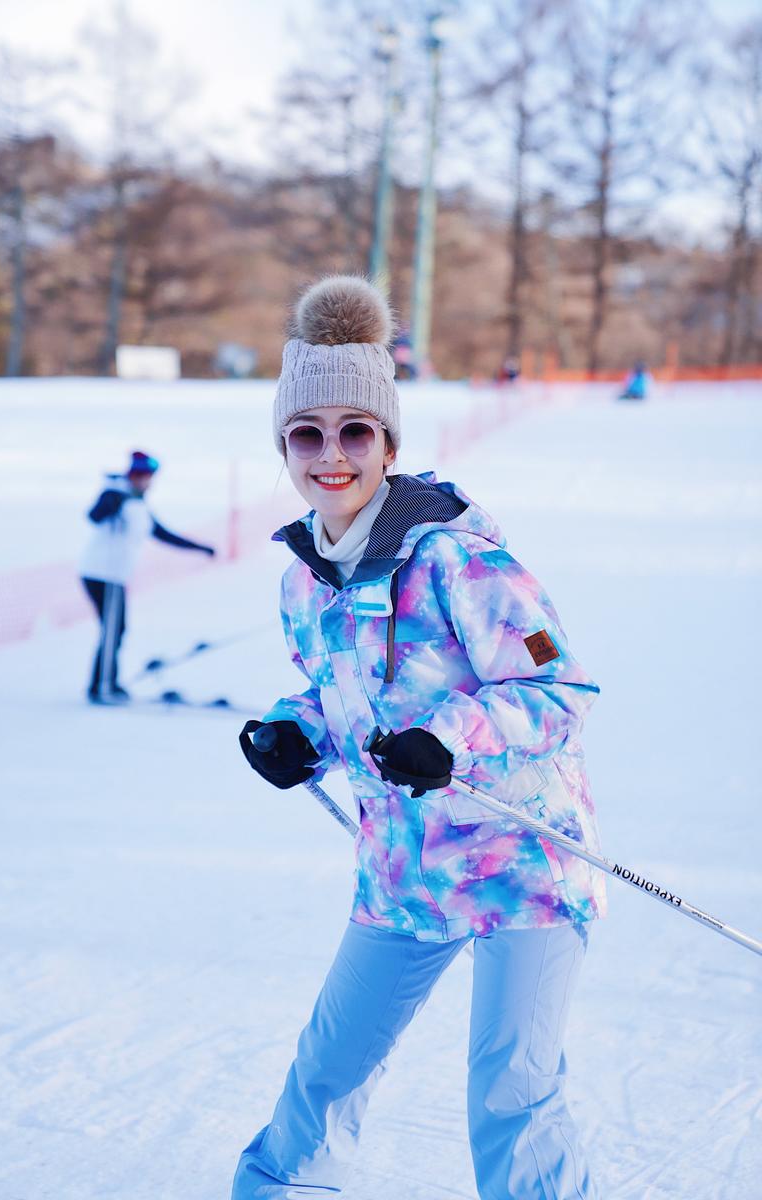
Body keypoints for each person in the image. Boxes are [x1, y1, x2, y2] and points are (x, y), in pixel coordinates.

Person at [232, 276, 606, 1200]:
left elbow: (561, 686)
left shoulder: (458, 556)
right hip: (404, 870)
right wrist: (294, 730)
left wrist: (451, 738)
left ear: (388, 445)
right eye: (306, 434)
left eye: (354, 432)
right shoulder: (303, 578)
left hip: (522, 866)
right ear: (283, 446)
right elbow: (339, 691)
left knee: (511, 1097)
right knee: (325, 1078)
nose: (331, 455)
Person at [80, 450, 215, 704]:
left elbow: (162, 534)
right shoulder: (115, 495)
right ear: (132, 476)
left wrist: (200, 548)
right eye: (142, 476)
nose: (147, 481)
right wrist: (114, 498)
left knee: (116, 630)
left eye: (149, 477)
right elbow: (94, 516)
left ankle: (106, 682)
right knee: (112, 630)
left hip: (115, 577)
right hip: (102, 574)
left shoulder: (138, 504)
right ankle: (102, 687)